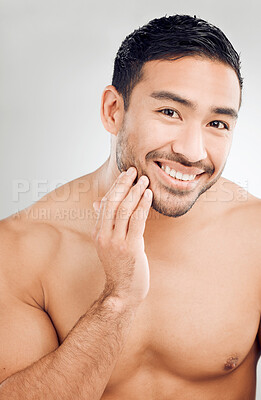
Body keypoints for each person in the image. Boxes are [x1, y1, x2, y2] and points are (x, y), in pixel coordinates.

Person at [0, 13, 260, 400]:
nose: (192, 151)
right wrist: (118, 298)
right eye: (170, 112)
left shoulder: (254, 235)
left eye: (218, 123)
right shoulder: (20, 249)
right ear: (112, 110)